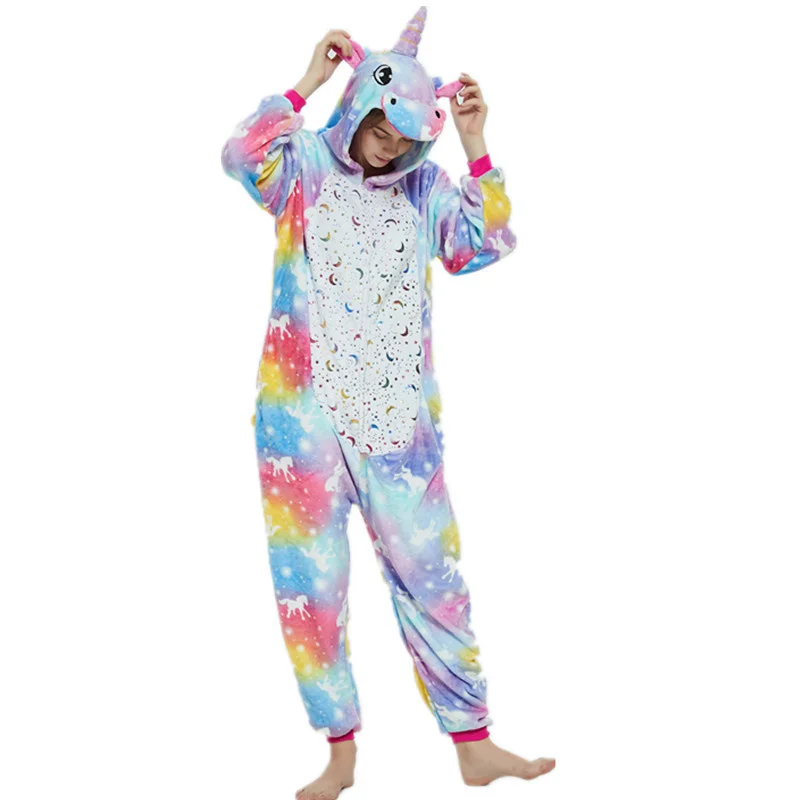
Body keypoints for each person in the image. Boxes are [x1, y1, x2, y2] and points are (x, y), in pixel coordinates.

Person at [221, 7, 556, 798]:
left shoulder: (426, 189)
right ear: (360, 105)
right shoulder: (303, 167)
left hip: (398, 431)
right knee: (312, 591)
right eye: (382, 124)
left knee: (434, 579)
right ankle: (340, 752)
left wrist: (475, 144)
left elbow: (483, 244)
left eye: (408, 134)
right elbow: (239, 154)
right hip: (301, 427)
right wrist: (306, 82)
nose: (390, 144)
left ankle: (473, 743)